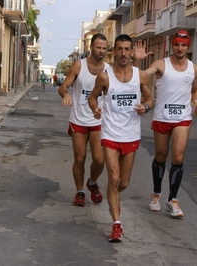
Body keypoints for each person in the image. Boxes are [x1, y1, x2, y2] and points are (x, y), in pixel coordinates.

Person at [89, 34, 152, 242]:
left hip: (131, 135)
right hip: (110, 134)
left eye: (127, 49)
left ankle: (112, 195)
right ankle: (116, 224)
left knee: (123, 182)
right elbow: (92, 97)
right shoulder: (105, 77)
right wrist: (95, 109)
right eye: (119, 49)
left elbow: (150, 98)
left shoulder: (140, 76)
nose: (123, 53)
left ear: (131, 52)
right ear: (113, 52)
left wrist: (146, 107)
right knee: (114, 179)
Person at [134, 30, 197, 218]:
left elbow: (195, 92)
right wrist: (138, 62)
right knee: (161, 156)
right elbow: (141, 76)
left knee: (178, 158)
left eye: (183, 45)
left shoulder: (194, 69)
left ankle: (173, 200)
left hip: (182, 118)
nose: (180, 48)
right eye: (176, 45)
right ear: (172, 45)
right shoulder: (161, 64)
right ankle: (156, 194)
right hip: (162, 117)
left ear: (188, 47)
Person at [58, 33, 109, 208]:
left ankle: (92, 182)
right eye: (98, 47)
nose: (101, 51)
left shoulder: (109, 70)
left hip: (98, 120)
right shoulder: (79, 66)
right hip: (79, 120)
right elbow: (63, 86)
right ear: (91, 47)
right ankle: (80, 191)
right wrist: (65, 93)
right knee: (79, 158)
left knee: (99, 159)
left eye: (104, 48)